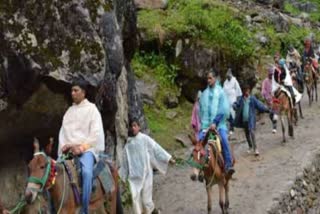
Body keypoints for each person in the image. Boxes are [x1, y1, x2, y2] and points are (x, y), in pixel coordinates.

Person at [58, 79, 105, 214]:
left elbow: (95, 134)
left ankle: (84, 210)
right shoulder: (69, 111)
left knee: (86, 173)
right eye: (72, 90)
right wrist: (65, 147)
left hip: (86, 150)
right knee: (54, 174)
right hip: (69, 151)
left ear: (83, 93)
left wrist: (81, 148)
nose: (72, 93)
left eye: (76, 90)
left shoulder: (92, 109)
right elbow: (63, 133)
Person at [119, 119, 175, 214]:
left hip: (146, 175)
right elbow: (125, 163)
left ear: (139, 127)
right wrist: (122, 177)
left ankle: (154, 212)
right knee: (136, 202)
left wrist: (168, 158)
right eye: (131, 126)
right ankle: (153, 212)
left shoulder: (144, 139)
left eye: (135, 125)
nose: (133, 128)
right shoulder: (128, 145)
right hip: (134, 179)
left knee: (146, 201)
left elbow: (156, 148)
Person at [199, 71, 235, 176]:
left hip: (219, 125)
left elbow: (223, 109)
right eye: (207, 78)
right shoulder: (204, 94)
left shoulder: (221, 92)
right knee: (198, 143)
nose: (208, 80)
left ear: (215, 79)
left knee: (224, 139)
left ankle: (228, 165)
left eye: (210, 78)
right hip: (206, 126)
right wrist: (202, 126)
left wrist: (215, 122)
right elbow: (201, 111)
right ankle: (199, 168)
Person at [233, 85, 273, 156]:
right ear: (243, 91)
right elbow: (236, 104)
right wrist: (234, 106)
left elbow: (260, 105)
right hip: (244, 120)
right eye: (245, 90)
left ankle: (255, 148)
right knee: (247, 134)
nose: (246, 92)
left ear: (249, 90)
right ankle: (250, 146)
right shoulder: (241, 99)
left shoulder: (252, 99)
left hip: (251, 119)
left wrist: (267, 109)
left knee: (252, 132)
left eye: (247, 90)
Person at [223, 68, 242, 135]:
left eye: (229, 75)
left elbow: (239, 92)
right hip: (226, 100)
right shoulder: (225, 82)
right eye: (227, 76)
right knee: (227, 115)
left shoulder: (234, 81)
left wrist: (237, 101)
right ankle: (229, 128)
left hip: (233, 100)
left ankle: (232, 128)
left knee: (233, 113)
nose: (228, 77)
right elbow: (223, 91)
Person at [261, 67, 277, 133]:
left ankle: (274, 126)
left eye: (272, 74)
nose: (271, 75)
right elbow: (263, 89)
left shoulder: (275, 80)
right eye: (270, 74)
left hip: (275, 99)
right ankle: (273, 122)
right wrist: (264, 95)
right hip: (268, 100)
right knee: (270, 114)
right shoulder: (265, 81)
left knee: (275, 113)